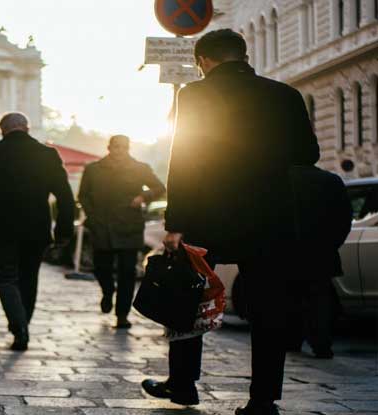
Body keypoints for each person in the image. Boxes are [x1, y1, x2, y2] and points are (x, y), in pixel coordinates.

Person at [143, 29, 320, 415]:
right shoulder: (284, 94)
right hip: (268, 215)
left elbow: (183, 160)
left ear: (203, 61)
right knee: (269, 309)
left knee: (187, 294)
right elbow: (308, 153)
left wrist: (176, 223)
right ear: (244, 55)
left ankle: (184, 384)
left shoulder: (194, 94)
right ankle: (263, 400)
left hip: (208, 212)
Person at [0, 112, 75, 351]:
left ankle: (19, 326)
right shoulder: (47, 154)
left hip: (1, 228)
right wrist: (64, 230)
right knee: (29, 278)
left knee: (5, 279)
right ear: (27, 127)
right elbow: (65, 196)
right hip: (37, 229)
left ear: (2, 130)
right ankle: (23, 326)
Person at [78, 135, 165, 328]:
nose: (119, 151)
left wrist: (143, 196)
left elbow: (160, 187)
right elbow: (83, 195)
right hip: (101, 225)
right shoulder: (93, 169)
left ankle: (122, 315)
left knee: (127, 273)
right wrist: (93, 215)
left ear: (128, 148)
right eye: (115, 147)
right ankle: (108, 292)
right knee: (102, 268)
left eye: (123, 147)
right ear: (109, 147)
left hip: (129, 226)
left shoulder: (140, 168)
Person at [285, 165, 352, 359]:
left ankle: (292, 339)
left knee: (291, 299)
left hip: (289, 253)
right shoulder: (331, 181)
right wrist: (331, 244)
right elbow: (344, 219)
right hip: (321, 253)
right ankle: (321, 343)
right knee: (319, 301)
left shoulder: (282, 180)